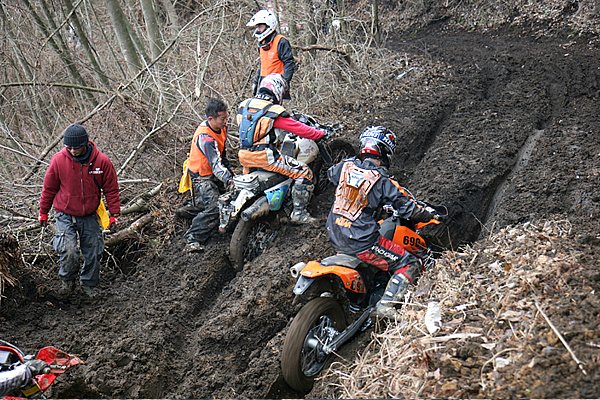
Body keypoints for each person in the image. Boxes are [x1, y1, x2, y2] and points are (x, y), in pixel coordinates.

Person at [326, 126, 439, 318]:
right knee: (409, 262)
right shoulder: (382, 180)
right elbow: (407, 208)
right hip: (361, 240)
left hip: (334, 231)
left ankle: (357, 298)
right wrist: (426, 216)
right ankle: (385, 305)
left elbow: (331, 175)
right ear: (385, 151)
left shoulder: (345, 166)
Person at [39, 124, 120, 298]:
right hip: (65, 213)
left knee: (94, 250)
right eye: (69, 147)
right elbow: (49, 189)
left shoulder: (102, 162)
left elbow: (111, 189)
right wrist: (43, 212)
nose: (73, 151)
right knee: (68, 250)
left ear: (85, 144)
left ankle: (89, 284)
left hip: (90, 214)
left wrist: (114, 215)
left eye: (76, 147)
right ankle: (67, 282)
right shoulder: (58, 161)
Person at [236, 73, 325, 224]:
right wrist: (319, 133)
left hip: (245, 158)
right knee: (304, 172)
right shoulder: (273, 111)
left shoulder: (243, 106)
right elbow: (299, 129)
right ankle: (299, 213)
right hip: (266, 158)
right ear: (278, 90)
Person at [183, 98, 234, 253]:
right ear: (210, 119)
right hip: (201, 175)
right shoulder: (205, 138)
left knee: (231, 197)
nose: (225, 122)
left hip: (214, 171)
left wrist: (231, 174)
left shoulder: (222, 128)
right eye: (222, 119)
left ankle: (195, 206)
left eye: (226, 118)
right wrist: (229, 179)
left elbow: (222, 156)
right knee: (214, 208)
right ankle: (192, 238)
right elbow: (216, 165)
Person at [247, 9, 296, 100]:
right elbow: (263, 65)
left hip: (276, 86)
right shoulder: (263, 44)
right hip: (263, 86)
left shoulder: (281, 41)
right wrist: (256, 82)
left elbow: (289, 63)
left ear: (268, 25)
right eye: (257, 27)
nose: (258, 29)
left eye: (260, 26)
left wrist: (284, 83)